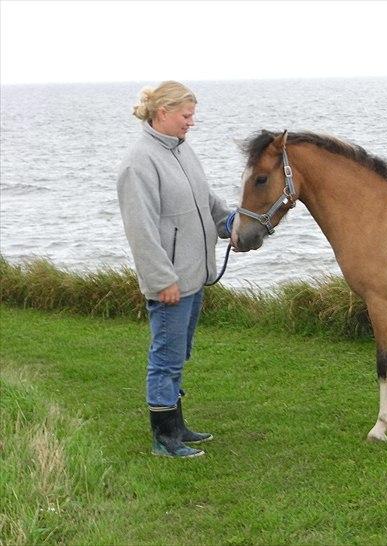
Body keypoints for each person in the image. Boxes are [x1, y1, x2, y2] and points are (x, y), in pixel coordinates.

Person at [117, 81, 236, 458]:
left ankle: (178, 425)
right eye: (187, 115)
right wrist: (161, 279)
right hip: (171, 282)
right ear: (162, 113)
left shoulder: (182, 151)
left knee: (178, 353)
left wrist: (230, 222)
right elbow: (141, 229)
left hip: (192, 276)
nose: (192, 123)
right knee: (165, 358)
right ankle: (164, 438)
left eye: (192, 115)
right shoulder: (139, 162)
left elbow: (205, 199)